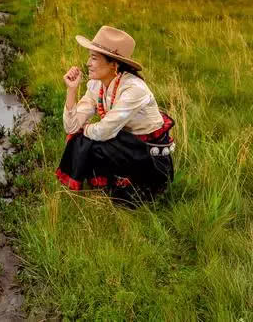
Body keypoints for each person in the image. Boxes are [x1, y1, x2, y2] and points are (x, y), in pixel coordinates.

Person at [55, 25, 175, 207]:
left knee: (89, 141)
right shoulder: (97, 85)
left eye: (94, 58)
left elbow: (104, 131)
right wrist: (72, 91)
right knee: (80, 140)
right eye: (89, 57)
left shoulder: (134, 89)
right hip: (126, 145)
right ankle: (110, 183)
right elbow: (71, 126)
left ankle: (141, 185)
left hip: (147, 154)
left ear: (114, 64)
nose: (88, 63)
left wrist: (85, 128)